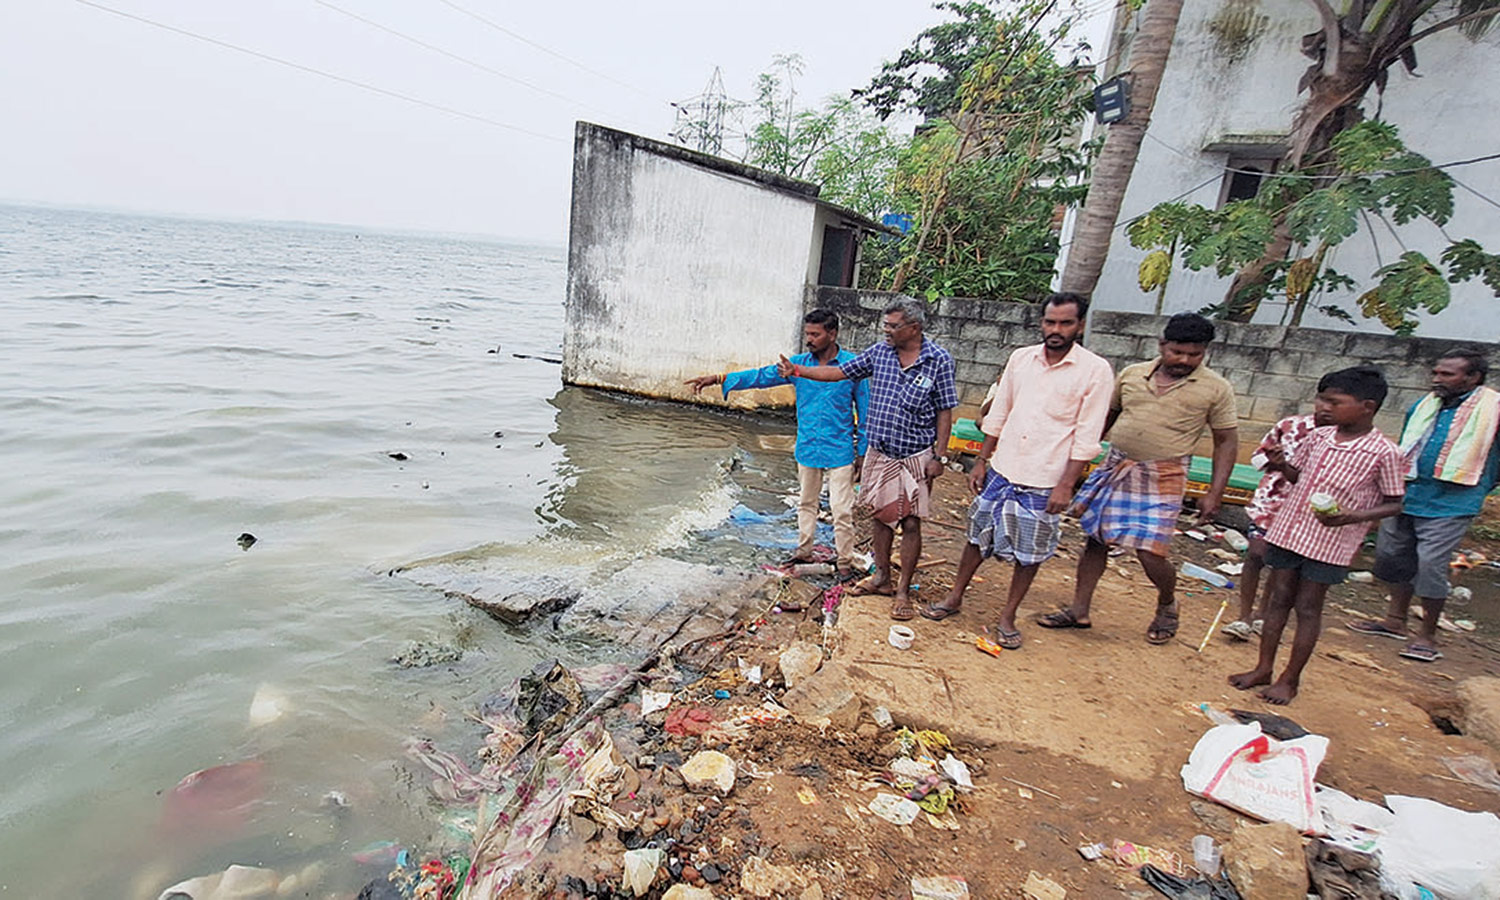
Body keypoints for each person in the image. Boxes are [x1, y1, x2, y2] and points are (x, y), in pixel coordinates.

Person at [917, 293, 1114, 649]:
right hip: (1004, 467)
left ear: (1080, 325)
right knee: (977, 536)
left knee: (1030, 552)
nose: (1056, 330)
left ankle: (1008, 615)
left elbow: (1088, 436)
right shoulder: (1021, 359)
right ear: (1041, 323)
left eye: (1065, 323)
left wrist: (1066, 484)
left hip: (1046, 476)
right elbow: (1000, 412)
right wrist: (982, 460)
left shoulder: (1095, 371)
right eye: (1050, 322)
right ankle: (955, 597)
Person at [1038, 312, 1239, 644]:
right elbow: (1104, 419)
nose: (1184, 360)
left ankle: (1167, 602)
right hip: (1116, 466)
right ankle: (1079, 610)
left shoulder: (1216, 389)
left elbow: (1226, 441)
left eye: (1194, 354)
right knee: (1096, 540)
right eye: (1177, 352)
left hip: (1165, 475)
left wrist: (1215, 493)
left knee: (1150, 551)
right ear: (1162, 345)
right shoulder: (1132, 375)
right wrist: (1074, 464)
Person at [1229, 366, 1405, 704]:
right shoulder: (1318, 437)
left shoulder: (1385, 452)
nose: (1322, 407)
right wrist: (1282, 464)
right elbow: (1298, 477)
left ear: (1367, 407)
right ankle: (1263, 668)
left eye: (1334, 402)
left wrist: (1352, 517)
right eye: (1321, 399)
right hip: (1289, 531)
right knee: (1279, 598)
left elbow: (1394, 503)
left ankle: (1290, 679)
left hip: (1330, 542)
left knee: (1308, 607)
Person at [776, 297, 957, 620]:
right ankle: (882, 578)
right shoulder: (879, 353)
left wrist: (939, 457)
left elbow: (945, 410)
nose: (886, 331)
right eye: (885, 325)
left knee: (910, 522)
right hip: (881, 450)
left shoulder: (938, 360)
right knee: (880, 517)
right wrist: (799, 370)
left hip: (916, 453)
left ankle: (903, 591)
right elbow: (838, 372)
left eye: (892, 326)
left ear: (914, 328)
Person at [684, 309, 870, 575]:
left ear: (832, 334)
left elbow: (865, 411)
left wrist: (863, 452)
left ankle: (844, 562)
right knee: (806, 503)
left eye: (815, 334)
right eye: (807, 334)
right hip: (807, 446)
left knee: (841, 510)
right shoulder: (796, 365)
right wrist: (718, 378)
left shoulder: (851, 366)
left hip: (840, 449)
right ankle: (804, 552)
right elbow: (761, 376)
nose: (809, 339)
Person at [1348, 348, 1500, 662]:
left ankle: (1427, 636)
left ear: (1473, 378)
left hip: (1452, 502)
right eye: (1436, 373)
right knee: (1392, 557)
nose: (1437, 379)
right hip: (1408, 493)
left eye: (1447, 374)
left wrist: (1482, 485)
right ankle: (1394, 621)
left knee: (1430, 564)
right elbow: (1406, 445)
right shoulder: (1423, 406)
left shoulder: (1494, 411)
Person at [1221, 411, 1319, 640]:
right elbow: (1257, 458)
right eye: (1323, 400)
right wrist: (1273, 461)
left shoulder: (1339, 438)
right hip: (1271, 500)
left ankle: (1262, 614)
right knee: (1256, 554)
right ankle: (1244, 616)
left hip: (1304, 508)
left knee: (1280, 561)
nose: (1325, 408)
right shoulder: (1290, 425)